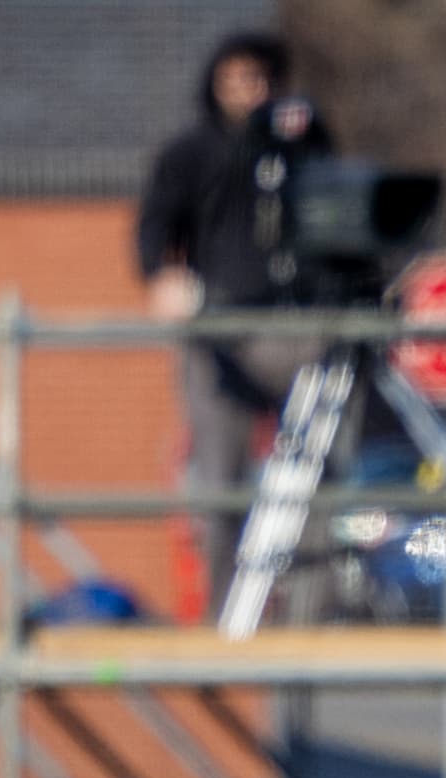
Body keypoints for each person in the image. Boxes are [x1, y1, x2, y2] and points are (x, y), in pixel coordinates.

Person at [136, 32, 331, 615]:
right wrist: (160, 276)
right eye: (235, 80)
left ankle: (311, 618)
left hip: (296, 332)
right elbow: (154, 224)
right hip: (218, 334)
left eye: (258, 79)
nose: (247, 91)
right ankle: (226, 619)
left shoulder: (303, 145)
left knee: (313, 481)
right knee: (221, 484)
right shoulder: (189, 153)